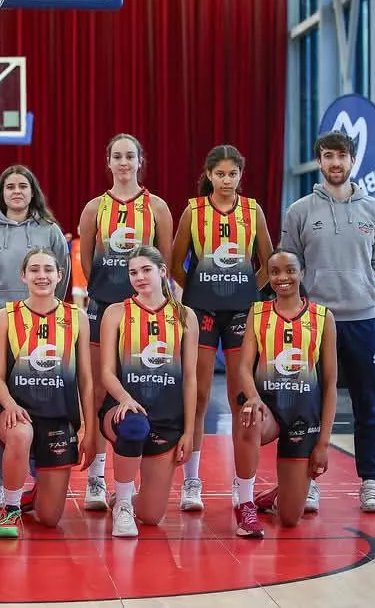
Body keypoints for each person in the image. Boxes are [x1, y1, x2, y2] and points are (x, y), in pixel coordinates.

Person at [280, 131, 375, 513]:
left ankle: (371, 482)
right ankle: (308, 481)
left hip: (362, 319)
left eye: (341, 156)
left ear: (351, 160)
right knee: (306, 403)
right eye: (328, 156)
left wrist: (361, 288)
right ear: (319, 161)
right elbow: (289, 266)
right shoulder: (299, 211)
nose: (335, 163)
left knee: (367, 403)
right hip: (315, 321)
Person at [171, 144, 273, 512]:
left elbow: (267, 260)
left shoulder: (253, 210)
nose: (226, 180)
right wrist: (198, 292)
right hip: (202, 312)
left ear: (240, 175)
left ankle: (240, 484)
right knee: (197, 397)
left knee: (239, 398)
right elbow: (174, 263)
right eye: (220, 174)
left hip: (241, 314)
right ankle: (192, 481)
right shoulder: (193, 211)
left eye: (232, 174)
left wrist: (248, 289)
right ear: (209, 175)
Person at [77, 134, 175, 510]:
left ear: (140, 161)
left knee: (141, 382)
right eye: (116, 155)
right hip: (103, 306)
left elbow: (163, 262)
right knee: (100, 391)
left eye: (129, 156)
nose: (123, 162)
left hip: (147, 311)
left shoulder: (158, 208)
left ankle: (134, 474)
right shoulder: (93, 209)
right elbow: (87, 263)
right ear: (108, 161)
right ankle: (97, 477)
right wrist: (112, 290)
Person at [0, 165, 68, 509]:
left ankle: (41, 477)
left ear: (32, 191)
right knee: (0, 405)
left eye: (22, 186)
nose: (16, 191)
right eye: (10, 186)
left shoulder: (49, 231)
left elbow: (62, 278)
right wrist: (1, 312)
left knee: (41, 401)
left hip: (40, 331)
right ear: (2, 193)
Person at [0, 249, 95, 539]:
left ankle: (34, 494)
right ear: (23, 276)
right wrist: (9, 404)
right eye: (34, 269)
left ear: (60, 276)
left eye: (48, 269)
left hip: (59, 416)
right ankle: (10, 508)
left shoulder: (77, 317)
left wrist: (88, 428)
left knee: (49, 519)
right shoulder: (6, 316)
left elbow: (85, 379)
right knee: (21, 433)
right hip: (17, 412)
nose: (42, 275)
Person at [232, 249, 337, 536]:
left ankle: (281, 493)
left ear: (301, 273)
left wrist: (323, 444)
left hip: (304, 416)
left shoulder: (322, 317)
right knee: (249, 417)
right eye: (275, 272)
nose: (282, 277)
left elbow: (329, 386)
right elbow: (243, 368)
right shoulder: (258, 312)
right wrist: (253, 396)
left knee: (291, 519)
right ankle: (245, 505)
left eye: (289, 270)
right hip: (268, 409)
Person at [96, 246, 198, 537]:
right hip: (122, 411)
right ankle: (124, 504)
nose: (139, 277)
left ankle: (127, 498)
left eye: (146, 270)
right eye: (133, 272)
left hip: (167, 416)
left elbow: (190, 378)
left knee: (152, 517)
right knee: (134, 424)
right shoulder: (117, 312)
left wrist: (188, 432)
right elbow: (106, 371)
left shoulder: (185, 316)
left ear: (162, 271)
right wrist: (125, 398)